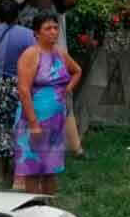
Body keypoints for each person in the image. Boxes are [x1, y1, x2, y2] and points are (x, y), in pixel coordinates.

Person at [12, 12, 83, 195]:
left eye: (55, 28)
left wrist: (67, 88)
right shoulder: (31, 54)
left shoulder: (59, 53)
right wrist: (34, 123)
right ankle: (35, 208)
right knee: (34, 169)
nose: (53, 32)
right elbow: (24, 90)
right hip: (34, 118)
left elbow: (77, 71)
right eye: (47, 28)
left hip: (56, 120)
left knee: (51, 169)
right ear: (37, 33)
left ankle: (51, 206)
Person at [19, 0, 86, 160]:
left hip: (56, 63)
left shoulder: (53, 5)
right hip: (33, 65)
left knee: (65, 108)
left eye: (54, 28)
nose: (52, 31)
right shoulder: (20, 9)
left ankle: (74, 149)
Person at [0, 0, 36, 186]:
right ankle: (20, 175)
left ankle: (1, 174)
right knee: (21, 128)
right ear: (17, 13)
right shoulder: (28, 35)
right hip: (20, 85)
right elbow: (34, 62)